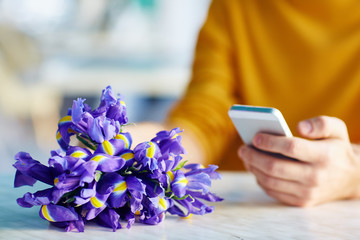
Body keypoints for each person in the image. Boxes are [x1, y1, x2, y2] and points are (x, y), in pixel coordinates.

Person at [131, 0, 360, 207]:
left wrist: (353, 176)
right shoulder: (234, 6)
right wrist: (132, 145)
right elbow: (204, 120)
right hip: (239, 210)